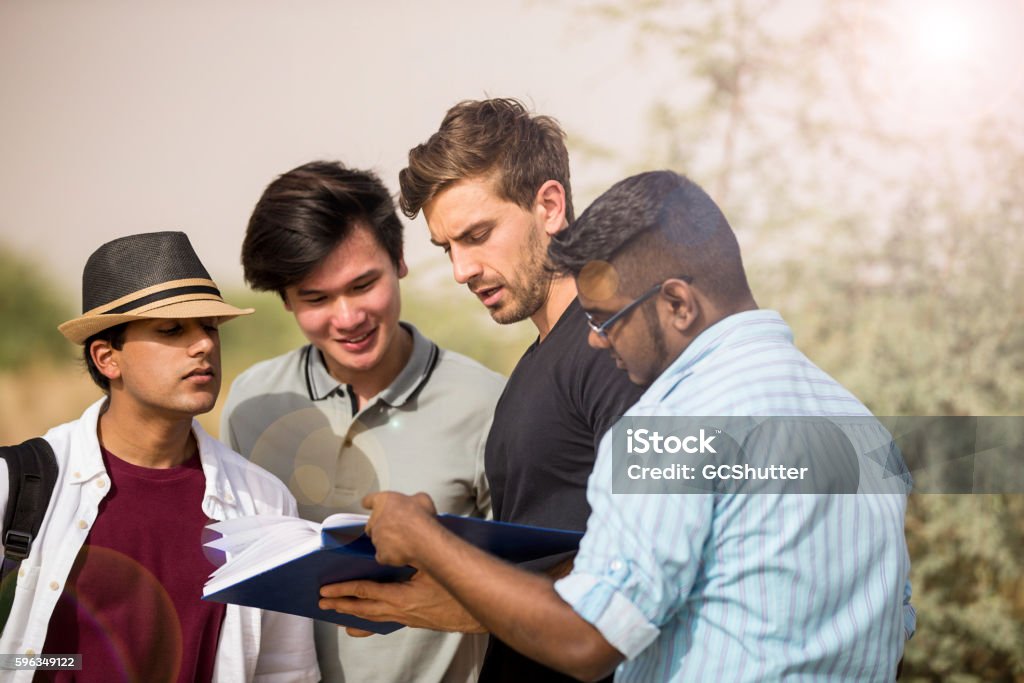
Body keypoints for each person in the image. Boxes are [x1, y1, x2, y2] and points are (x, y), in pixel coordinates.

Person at [348, 171, 915, 682]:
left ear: (678, 305)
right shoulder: (862, 426)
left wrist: (424, 538)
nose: (596, 339)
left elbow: (586, 640)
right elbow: (890, 624)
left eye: (606, 319)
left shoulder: (670, 425)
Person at [319, 100, 645, 682]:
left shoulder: (618, 347)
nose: (462, 270)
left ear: (549, 205)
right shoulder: (535, 364)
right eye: (448, 248)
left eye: (477, 236)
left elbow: (644, 568)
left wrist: (457, 600)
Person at [220, 161, 504, 683]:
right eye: (316, 298)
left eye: (363, 284)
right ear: (284, 299)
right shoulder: (250, 403)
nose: (348, 318)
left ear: (399, 261)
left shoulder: (488, 403)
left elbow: (527, 594)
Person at [0, 231, 319, 682]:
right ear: (107, 358)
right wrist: (70, 664)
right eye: (172, 330)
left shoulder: (264, 502)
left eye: (209, 327)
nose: (204, 345)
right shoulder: (19, 483)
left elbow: (285, 671)